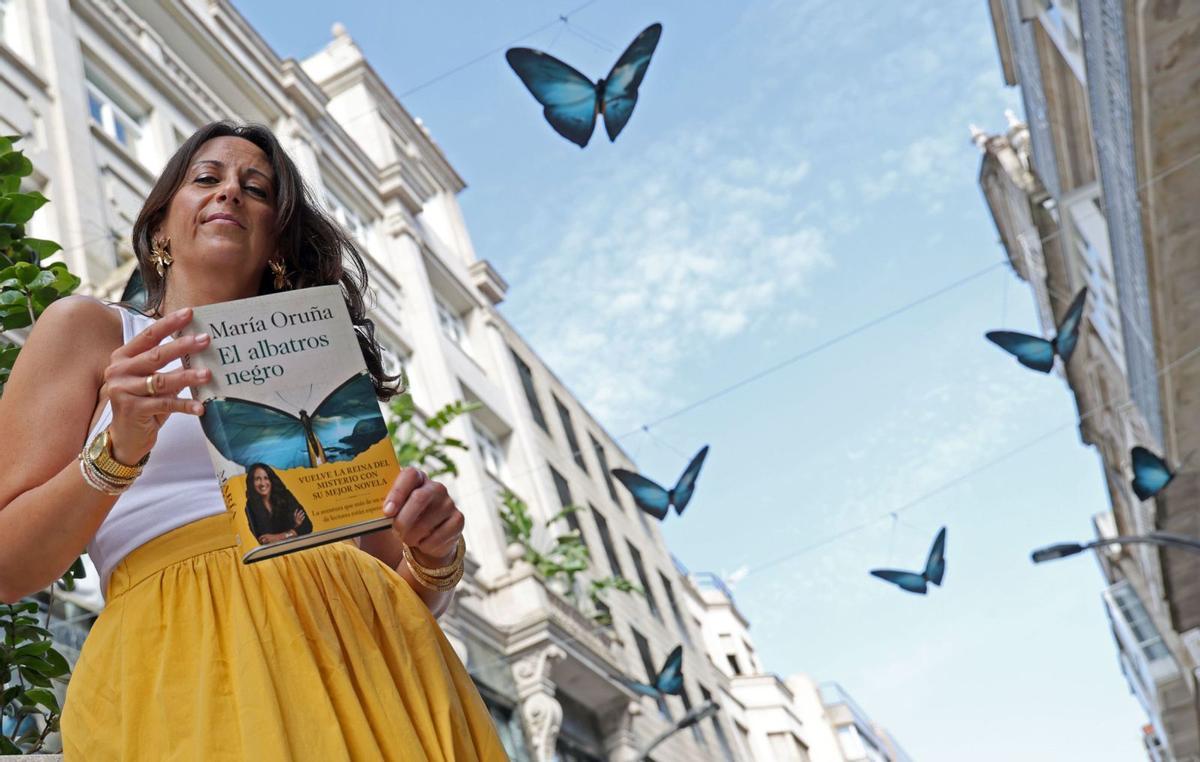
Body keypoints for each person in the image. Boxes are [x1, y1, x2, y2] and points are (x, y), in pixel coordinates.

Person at [0, 122, 506, 760]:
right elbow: (8, 567)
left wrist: (436, 556)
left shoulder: (320, 357)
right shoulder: (92, 330)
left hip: (371, 657)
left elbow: (397, 587)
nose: (230, 194)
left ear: (276, 240)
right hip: (184, 659)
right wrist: (117, 452)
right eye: (205, 179)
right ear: (160, 228)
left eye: (257, 190)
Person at [244, 462, 313, 544]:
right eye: (257, 479)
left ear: (271, 480)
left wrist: (278, 537)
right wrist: (295, 528)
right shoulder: (250, 506)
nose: (262, 483)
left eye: (266, 478)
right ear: (252, 483)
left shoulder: (285, 496)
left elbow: (307, 526)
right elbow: (264, 540)